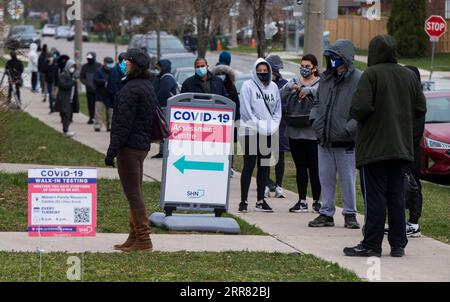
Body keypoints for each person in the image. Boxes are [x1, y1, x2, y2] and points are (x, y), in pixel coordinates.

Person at [345, 35, 426, 258]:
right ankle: (398, 244)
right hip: (401, 147)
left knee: (376, 197)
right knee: (396, 196)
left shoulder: (371, 74)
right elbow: (420, 108)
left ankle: (372, 244)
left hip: (375, 148)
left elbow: (359, 108)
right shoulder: (409, 75)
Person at [105, 48, 158, 252]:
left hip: (129, 148)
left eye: (126, 60)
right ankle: (133, 236)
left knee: (133, 194)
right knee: (135, 192)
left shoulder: (130, 89)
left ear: (134, 64)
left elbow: (121, 124)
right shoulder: (147, 86)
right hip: (142, 146)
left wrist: (111, 152)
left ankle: (144, 240)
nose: (123, 63)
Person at [308, 39, 361, 229]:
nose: (332, 61)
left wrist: (349, 129)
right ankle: (326, 213)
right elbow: (317, 102)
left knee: (347, 179)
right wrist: (315, 120)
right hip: (324, 138)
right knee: (326, 178)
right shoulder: (326, 78)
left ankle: (350, 214)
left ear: (345, 58)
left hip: (345, 140)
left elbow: (362, 110)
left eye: (335, 58)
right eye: (330, 58)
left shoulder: (359, 79)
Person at [238, 58, 282, 213]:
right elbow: (246, 111)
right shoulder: (247, 86)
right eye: (259, 70)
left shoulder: (274, 87)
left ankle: (260, 200)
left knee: (264, 166)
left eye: (265, 70)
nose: (262, 73)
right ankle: (243, 201)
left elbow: (277, 109)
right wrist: (260, 125)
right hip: (250, 130)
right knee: (249, 166)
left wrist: (272, 125)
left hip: (268, 131)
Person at [281, 54, 322, 213]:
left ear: (315, 68)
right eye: (302, 66)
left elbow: (323, 95)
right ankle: (302, 200)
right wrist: (288, 88)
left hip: (312, 133)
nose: (304, 69)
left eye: (307, 66)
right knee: (300, 168)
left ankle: (317, 201)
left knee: (315, 169)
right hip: (294, 131)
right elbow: (280, 96)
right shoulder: (293, 81)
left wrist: (308, 89)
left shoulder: (321, 83)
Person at [211, 62, 240, 177]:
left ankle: (230, 166)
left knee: (229, 146)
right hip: (215, 121)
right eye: (219, 74)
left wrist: (236, 120)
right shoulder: (213, 86)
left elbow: (236, 105)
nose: (221, 76)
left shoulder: (231, 88)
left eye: (223, 74)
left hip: (230, 122)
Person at [265, 55, 288, 199]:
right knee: (265, 157)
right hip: (265, 126)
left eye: (276, 71)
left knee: (279, 157)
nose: (275, 73)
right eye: (273, 70)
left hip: (280, 126)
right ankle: (265, 185)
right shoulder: (262, 84)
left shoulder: (285, 84)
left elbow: (287, 104)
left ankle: (279, 185)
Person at [152, 59, 178, 159]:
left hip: (165, 107)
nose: (156, 70)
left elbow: (163, 92)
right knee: (162, 129)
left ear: (163, 68)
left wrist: (155, 101)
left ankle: (164, 151)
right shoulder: (162, 77)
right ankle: (162, 151)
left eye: (158, 68)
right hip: (162, 107)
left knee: (164, 129)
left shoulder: (167, 78)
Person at [55, 60, 80, 137]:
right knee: (65, 114)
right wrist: (73, 82)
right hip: (64, 99)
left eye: (74, 67)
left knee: (68, 115)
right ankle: (65, 130)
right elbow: (64, 85)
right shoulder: (62, 75)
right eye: (71, 67)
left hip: (71, 99)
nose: (72, 69)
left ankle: (66, 129)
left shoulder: (72, 76)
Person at [93, 57, 115, 132]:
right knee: (98, 111)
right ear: (104, 63)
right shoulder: (98, 71)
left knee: (111, 112)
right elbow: (95, 80)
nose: (110, 65)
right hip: (100, 95)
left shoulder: (113, 71)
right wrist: (104, 82)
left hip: (110, 96)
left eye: (111, 63)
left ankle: (110, 126)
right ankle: (97, 125)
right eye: (109, 63)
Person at [81, 52, 102, 124]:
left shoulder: (99, 66)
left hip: (98, 89)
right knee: (90, 104)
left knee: (97, 105)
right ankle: (91, 117)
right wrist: (86, 83)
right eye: (88, 58)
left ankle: (96, 118)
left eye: (90, 58)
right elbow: (82, 77)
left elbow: (101, 76)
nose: (89, 60)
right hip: (89, 89)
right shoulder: (84, 67)